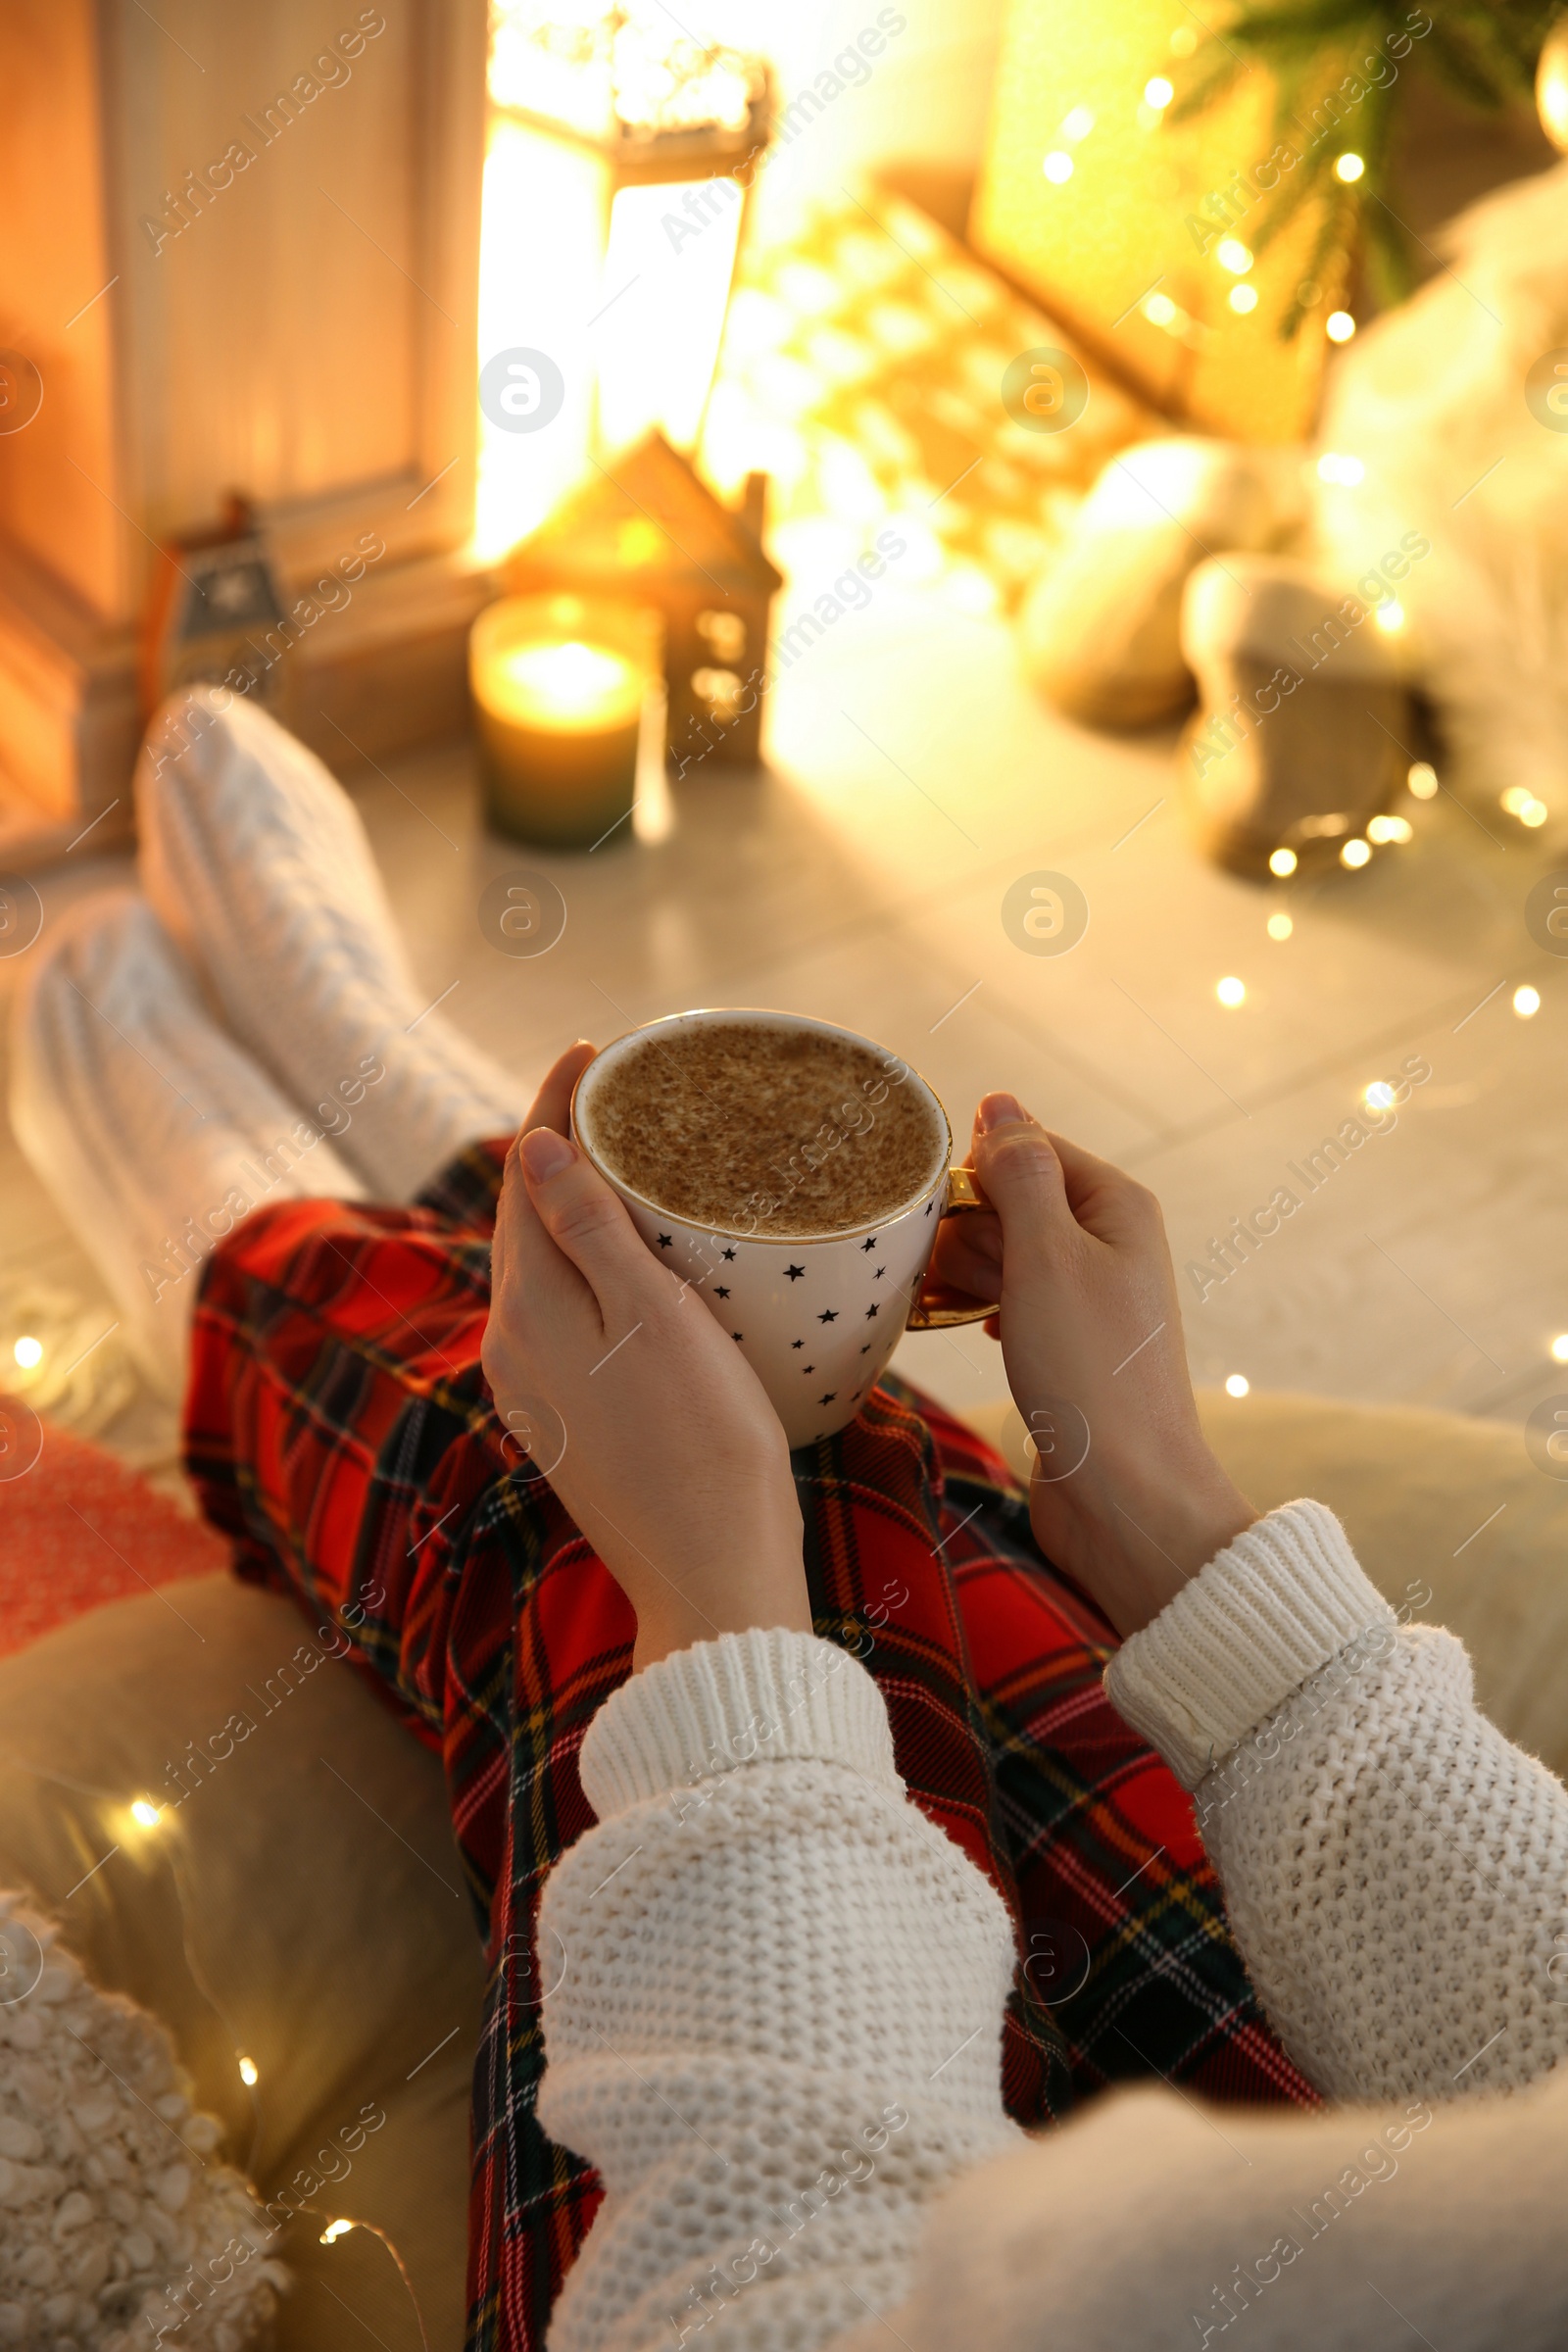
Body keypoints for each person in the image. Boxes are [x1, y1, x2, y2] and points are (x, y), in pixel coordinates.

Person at [11, 689, 1541, 2352]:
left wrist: (713, 1610)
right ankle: (389, 1093)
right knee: (850, 1460)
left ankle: (222, 1219)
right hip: (1359, 2163)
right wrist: (1166, 1522)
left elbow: (751, 2298)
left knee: (559, 1522)